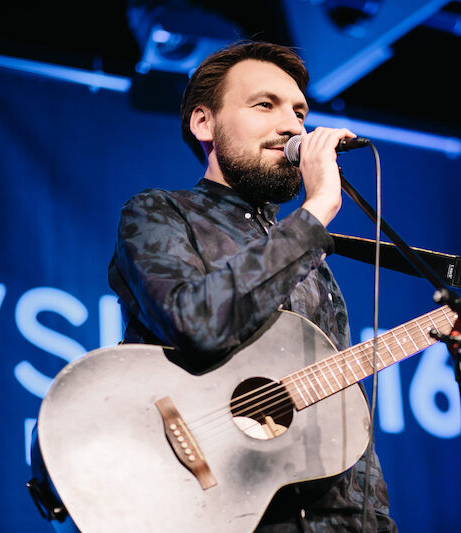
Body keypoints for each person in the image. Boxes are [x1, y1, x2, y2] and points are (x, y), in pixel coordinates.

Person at [107, 41, 397, 532]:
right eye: (265, 105)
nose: (292, 126)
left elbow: (339, 422)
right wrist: (317, 209)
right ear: (204, 124)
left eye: (300, 112)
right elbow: (196, 323)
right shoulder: (160, 213)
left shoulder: (310, 259)